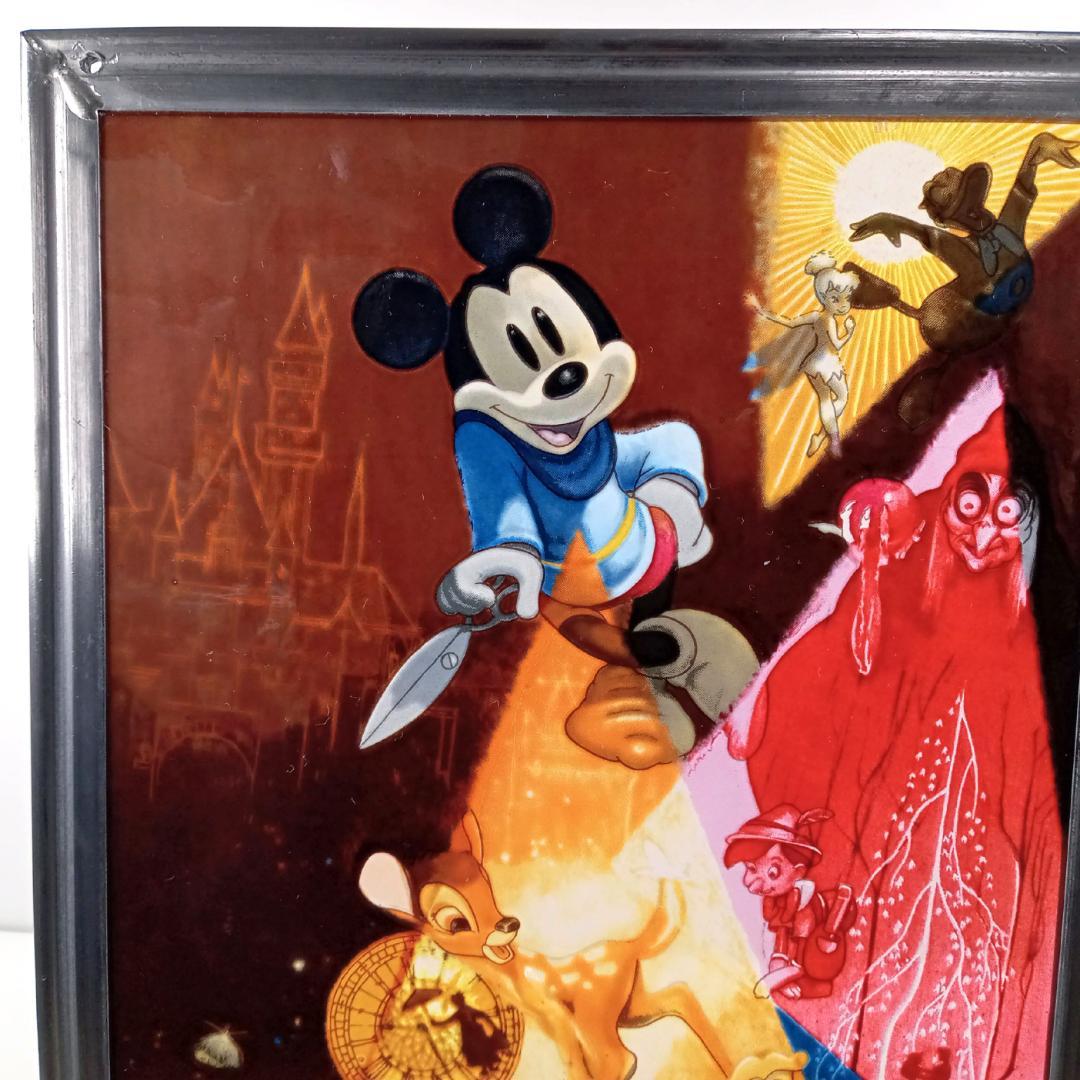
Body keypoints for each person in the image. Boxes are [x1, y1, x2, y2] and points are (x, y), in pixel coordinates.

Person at [744, 253, 859, 458]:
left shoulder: (815, 316)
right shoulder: (830, 320)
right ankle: (829, 437)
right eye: (836, 298)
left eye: (846, 298)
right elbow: (837, 344)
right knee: (841, 397)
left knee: (825, 398)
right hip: (827, 363)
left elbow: (789, 322)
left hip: (811, 363)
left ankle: (825, 438)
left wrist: (761, 311)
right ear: (823, 297)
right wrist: (849, 332)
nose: (843, 304)